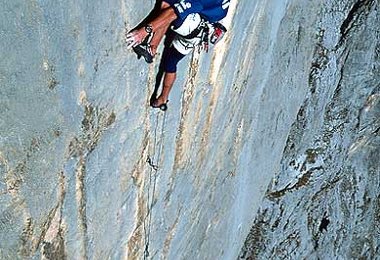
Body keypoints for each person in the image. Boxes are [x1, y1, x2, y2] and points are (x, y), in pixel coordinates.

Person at [126, 0, 230, 110]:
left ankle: (152, 45)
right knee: (171, 61)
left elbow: (174, 12)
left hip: (193, 27)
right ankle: (163, 98)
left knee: (170, 4)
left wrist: (142, 32)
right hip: (200, 33)